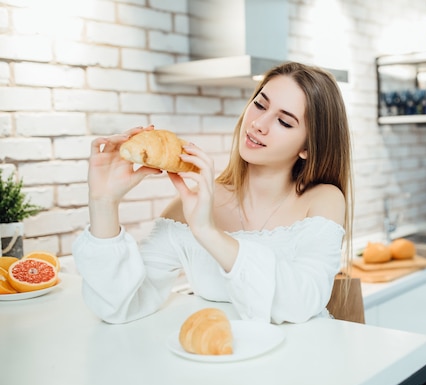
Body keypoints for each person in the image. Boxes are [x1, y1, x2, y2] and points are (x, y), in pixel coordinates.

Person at [72, 62, 353, 325]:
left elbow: (301, 302)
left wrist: (208, 232)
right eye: (259, 105)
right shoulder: (190, 206)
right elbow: (120, 306)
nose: (258, 124)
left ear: (307, 147)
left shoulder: (322, 200)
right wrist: (103, 202)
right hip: (219, 364)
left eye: (284, 121)